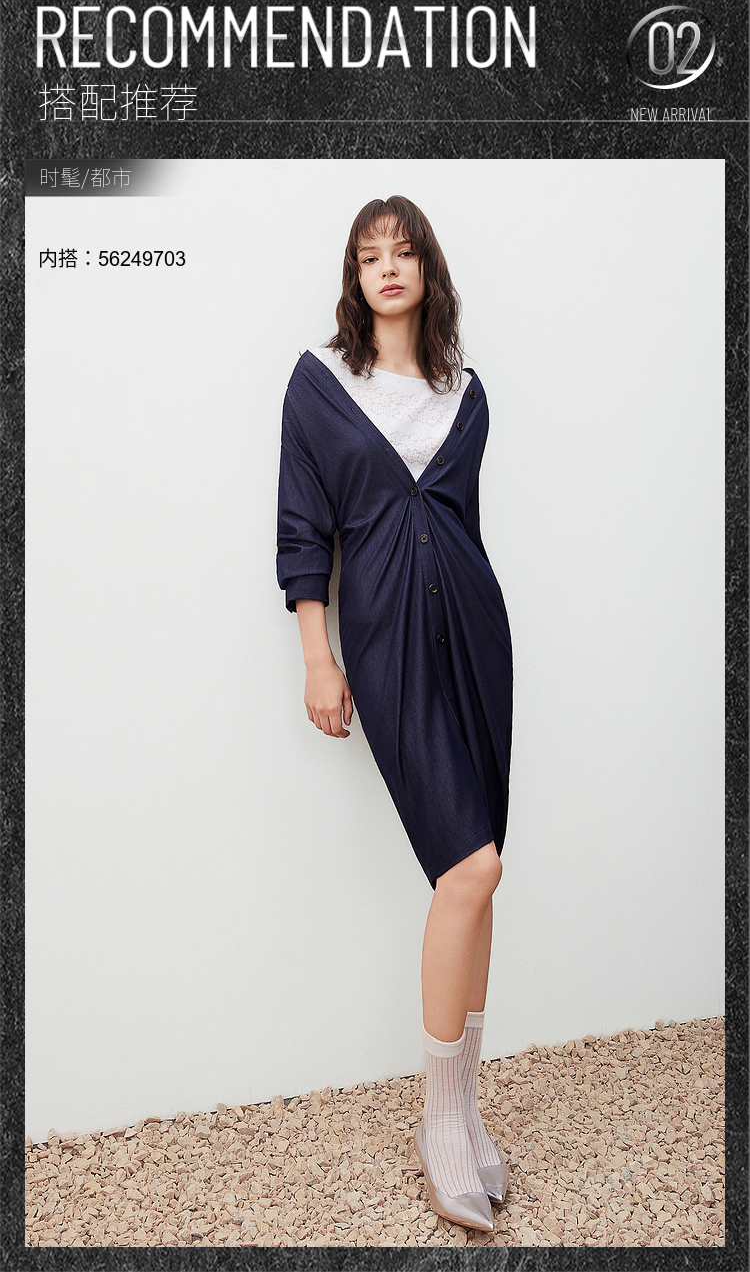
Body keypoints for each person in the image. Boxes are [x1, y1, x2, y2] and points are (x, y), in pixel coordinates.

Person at [276, 196, 513, 1234]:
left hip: (477, 633)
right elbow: (302, 526)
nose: (388, 267)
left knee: (485, 870)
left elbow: (458, 522)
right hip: (386, 641)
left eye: (404, 251)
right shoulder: (320, 384)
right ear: (354, 276)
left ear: (427, 271)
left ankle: (466, 1106)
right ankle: (441, 1124)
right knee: (469, 867)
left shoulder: (468, 393)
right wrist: (318, 657)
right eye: (370, 254)